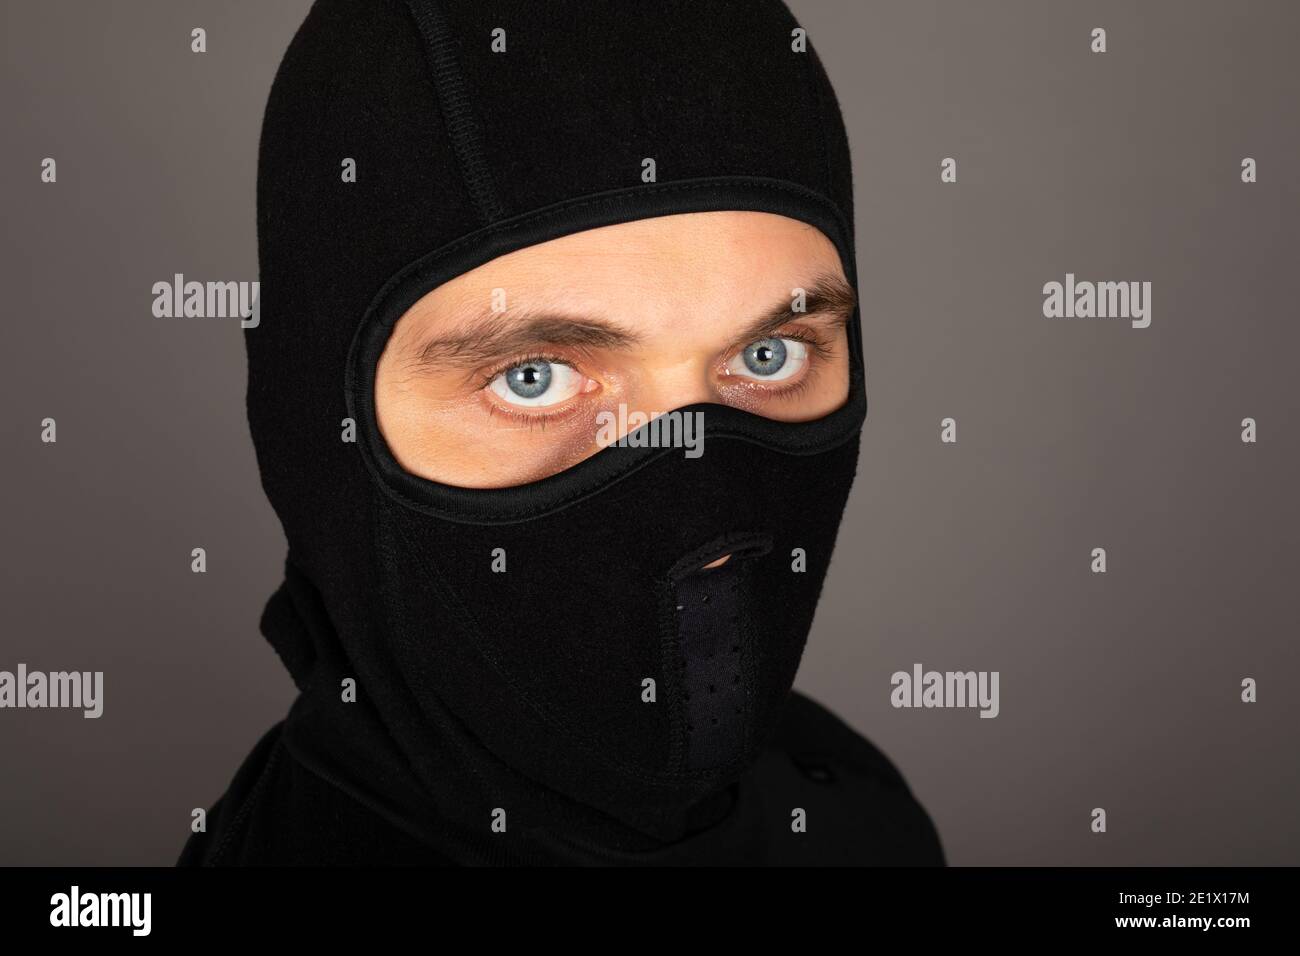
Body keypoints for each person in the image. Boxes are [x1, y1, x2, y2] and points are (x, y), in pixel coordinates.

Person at [179, 0, 945, 866]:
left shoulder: (856, 814)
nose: (700, 519)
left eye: (767, 355)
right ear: (313, 429)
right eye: (532, 377)